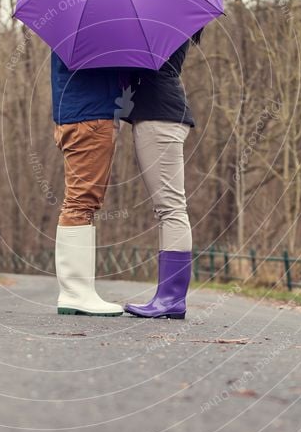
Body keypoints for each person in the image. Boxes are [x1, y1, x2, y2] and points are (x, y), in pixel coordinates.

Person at [122, 29, 202, 320]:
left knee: (171, 208)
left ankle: (171, 298)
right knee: (168, 209)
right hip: (160, 115)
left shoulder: (160, 29)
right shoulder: (161, 26)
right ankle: (168, 297)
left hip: (160, 117)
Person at [51, 51, 124, 316]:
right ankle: (75, 293)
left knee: (82, 202)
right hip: (89, 115)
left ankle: (78, 291)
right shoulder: (95, 29)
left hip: (79, 112)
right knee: (81, 202)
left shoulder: (74, 28)